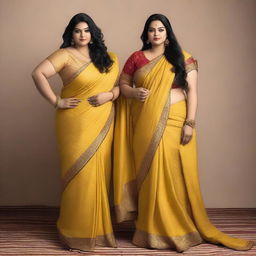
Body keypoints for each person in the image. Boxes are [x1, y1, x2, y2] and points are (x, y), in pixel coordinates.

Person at [113, 13, 253, 252]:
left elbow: (193, 92)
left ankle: (178, 227)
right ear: (146, 34)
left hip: (176, 120)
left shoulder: (182, 58)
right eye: (151, 29)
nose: (156, 33)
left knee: (172, 173)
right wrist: (134, 93)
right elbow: (122, 86)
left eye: (160, 29)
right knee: (149, 173)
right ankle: (148, 230)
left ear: (168, 33)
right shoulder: (136, 58)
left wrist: (190, 122)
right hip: (145, 123)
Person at [32, 13, 119, 252]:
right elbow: (37, 74)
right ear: (71, 34)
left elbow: (118, 87)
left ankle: (99, 231)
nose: (82, 35)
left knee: (99, 173)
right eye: (77, 30)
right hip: (74, 123)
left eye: (86, 30)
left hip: (102, 121)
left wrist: (109, 95)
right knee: (79, 175)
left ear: (93, 33)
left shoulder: (107, 58)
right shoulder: (64, 55)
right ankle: (74, 231)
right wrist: (56, 101)